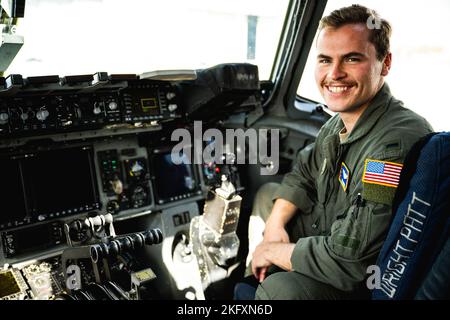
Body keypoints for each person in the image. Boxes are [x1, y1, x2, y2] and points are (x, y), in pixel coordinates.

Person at [241, 4, 434, 300]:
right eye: (325, 60)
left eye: (352, 59)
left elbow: (351, 261)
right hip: (330, 232)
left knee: (280, 292)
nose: (334, 74)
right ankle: (254, 283)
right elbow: (304, 171)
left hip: (361, 277)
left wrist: (274, 251)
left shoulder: (393, 145)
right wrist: (275, 226)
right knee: (270, 195)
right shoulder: (338, 122)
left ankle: (262, 289)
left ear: (385, 63)